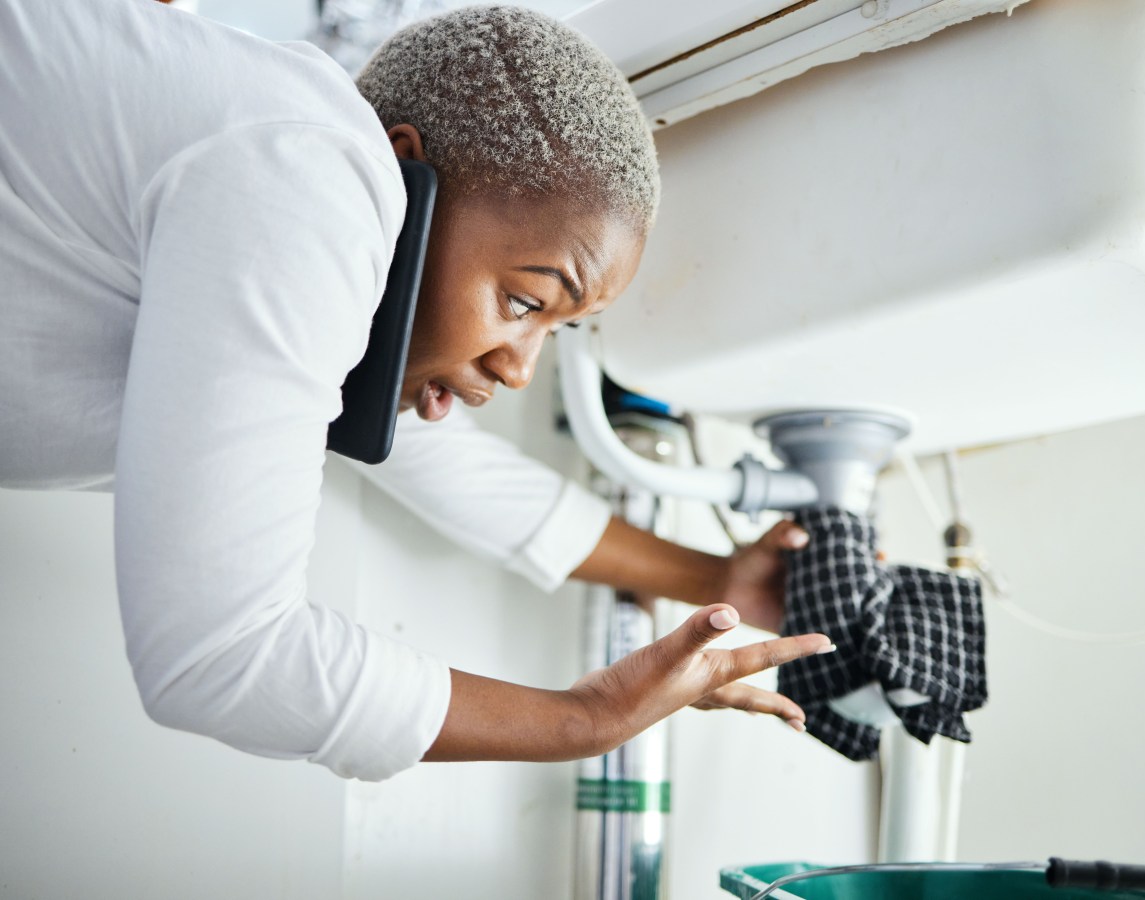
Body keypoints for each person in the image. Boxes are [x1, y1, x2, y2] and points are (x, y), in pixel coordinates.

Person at [0, 0, 830, 781]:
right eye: (523, 301)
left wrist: (718, 580)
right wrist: (588, 719)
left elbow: (458, 475)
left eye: (555, 328)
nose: (519, 368)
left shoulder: (296, 227)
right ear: (400, 168)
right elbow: (222, 656)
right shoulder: (315, 171)